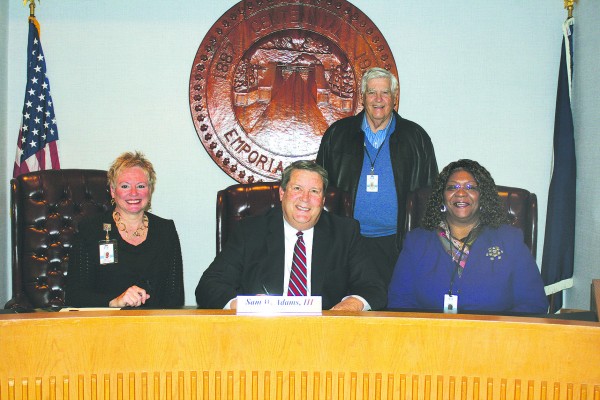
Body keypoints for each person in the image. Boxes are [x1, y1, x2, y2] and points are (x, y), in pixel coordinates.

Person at [195, 160, 387, 311]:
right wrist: (245, 307)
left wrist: (348, 307)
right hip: (262, 333)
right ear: (282, 193)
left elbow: (374, 288)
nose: (305, 198)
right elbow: (209, 286)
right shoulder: (250, 231)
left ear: (323, 199)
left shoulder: (345, 232)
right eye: (297, 189)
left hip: (324, 336)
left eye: (314, 191)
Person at [316, 67, 438, 286]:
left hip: (398, 243)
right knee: (351, 308)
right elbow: (320, 190)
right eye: (372, 92)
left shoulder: (416, 137)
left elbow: (429, 195)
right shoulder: (337, 135)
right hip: (348, 242)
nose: (378, 99)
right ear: (362, 97)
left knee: (393, 310)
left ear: (394, 98)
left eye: (385, 93)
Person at [387, 159, 549, 314]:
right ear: (441, 196)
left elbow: (533, 303)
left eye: (471, 187)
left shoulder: (510, 240)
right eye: (452, 187)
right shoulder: (417, 242)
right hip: (431, 337)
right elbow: (399, 301)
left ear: (482, 196)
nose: (461, 193)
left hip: (493, 339)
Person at [66, 151, 184, 308]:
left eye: (141, 186)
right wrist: (114, 302)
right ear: (113, 191)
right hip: (106, 325)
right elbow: (75, 296)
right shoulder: (90, 230)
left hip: (154, 326)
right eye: (125, 186)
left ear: (150, 190)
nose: (133, 193)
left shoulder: (166, 230)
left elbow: (175, 297)